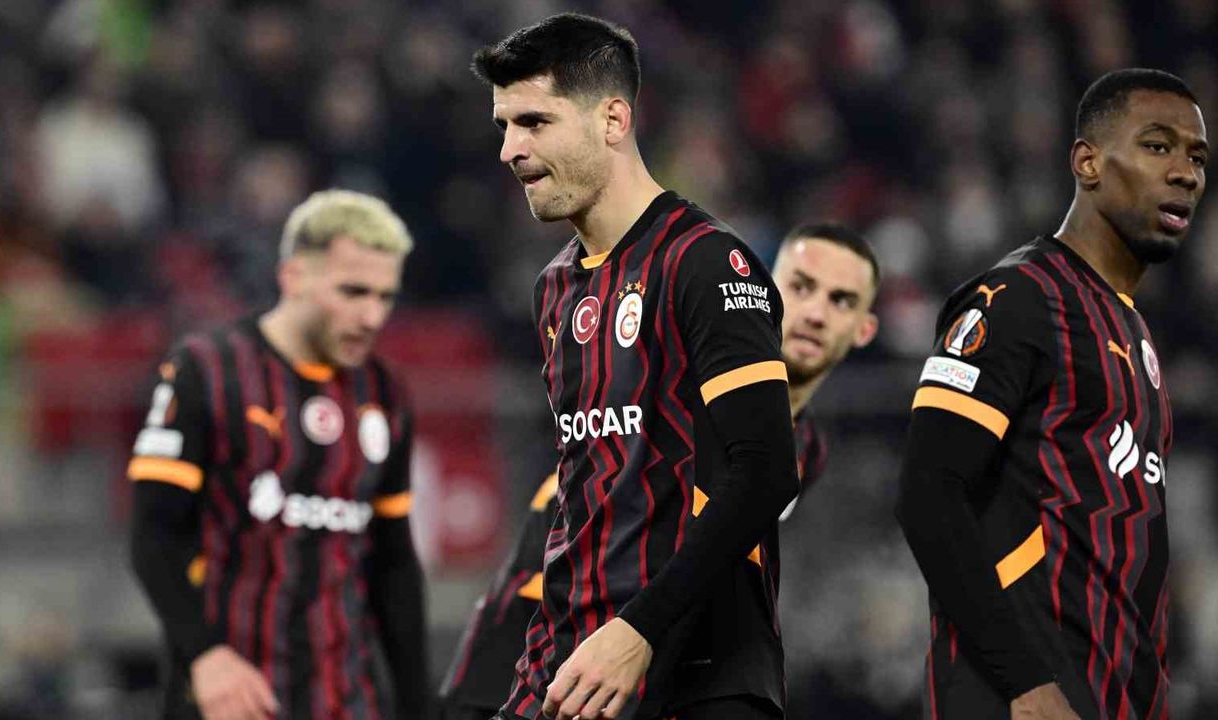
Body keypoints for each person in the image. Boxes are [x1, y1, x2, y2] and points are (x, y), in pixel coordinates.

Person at [436, 223, 880, 720]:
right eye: (800, 287)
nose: (816, 313)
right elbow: (558, 525)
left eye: (841, 300)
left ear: (864, 329)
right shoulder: (679, 393)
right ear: (766, 294)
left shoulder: (806, 448)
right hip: (560, 661)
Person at [895, 68, 1207, 720]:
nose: (1185, 173)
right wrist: (1026, 682)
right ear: (1087, 163)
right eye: (1157, 146)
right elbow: (928, 494)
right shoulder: (1018, 298)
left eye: (1197, 157)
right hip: (1023, 700)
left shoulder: (1135, 334)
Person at [128, 190, 430, 720]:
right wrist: (206, 654)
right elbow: (154, 535)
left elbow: (394, 564)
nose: (372, 315)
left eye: (386, 297)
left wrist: (418, 705)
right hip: (230, 698)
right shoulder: (207, 371)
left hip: (346, 698)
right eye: (353, 291)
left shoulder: (384, 393)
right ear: (294, 277)